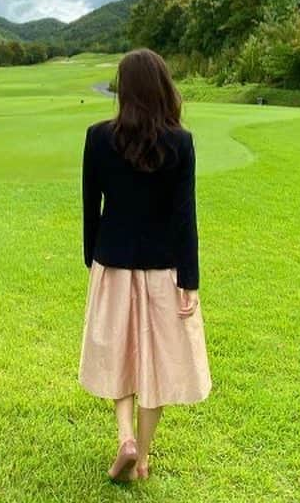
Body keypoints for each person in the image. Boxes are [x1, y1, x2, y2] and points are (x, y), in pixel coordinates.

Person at [77, 47, 211, 482]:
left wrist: (92, 260)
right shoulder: (181, 142)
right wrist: (189, 280)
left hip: (112, 263)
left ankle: (124, 438)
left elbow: (90, 208)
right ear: (162, 87)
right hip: (163, 270)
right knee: (156, 359)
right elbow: (184, 217)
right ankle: (145, 457)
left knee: (117, 351)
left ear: (124, 90)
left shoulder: (98, 137)